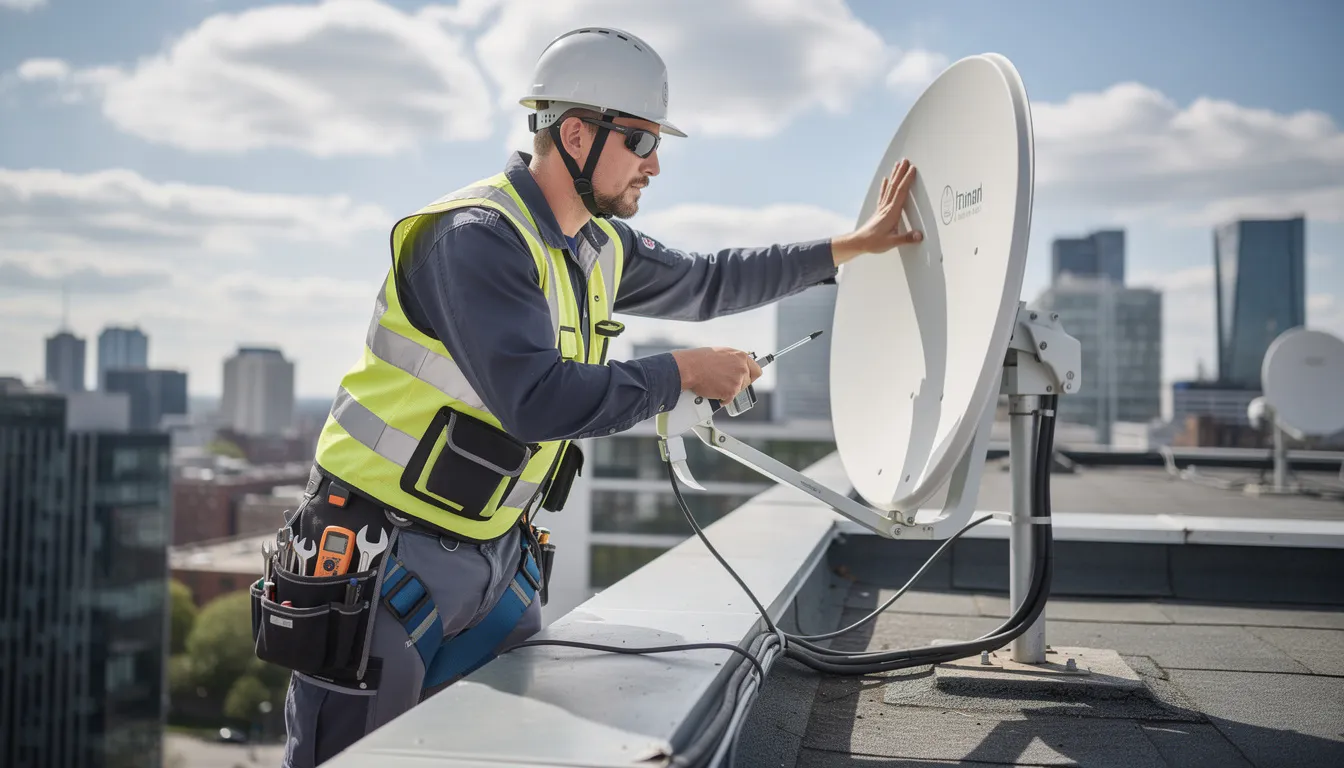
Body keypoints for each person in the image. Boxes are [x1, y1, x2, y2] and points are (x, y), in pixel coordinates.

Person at [275, 26, 922, 767]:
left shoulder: (597, 245)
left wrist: (850, 247)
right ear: (577, 134)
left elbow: (713, 280)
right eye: (642, 141)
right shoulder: (477, 237)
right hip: (388, 560)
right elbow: (537, 401)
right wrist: (681, 373)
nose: (656, 163)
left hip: (496, 559)